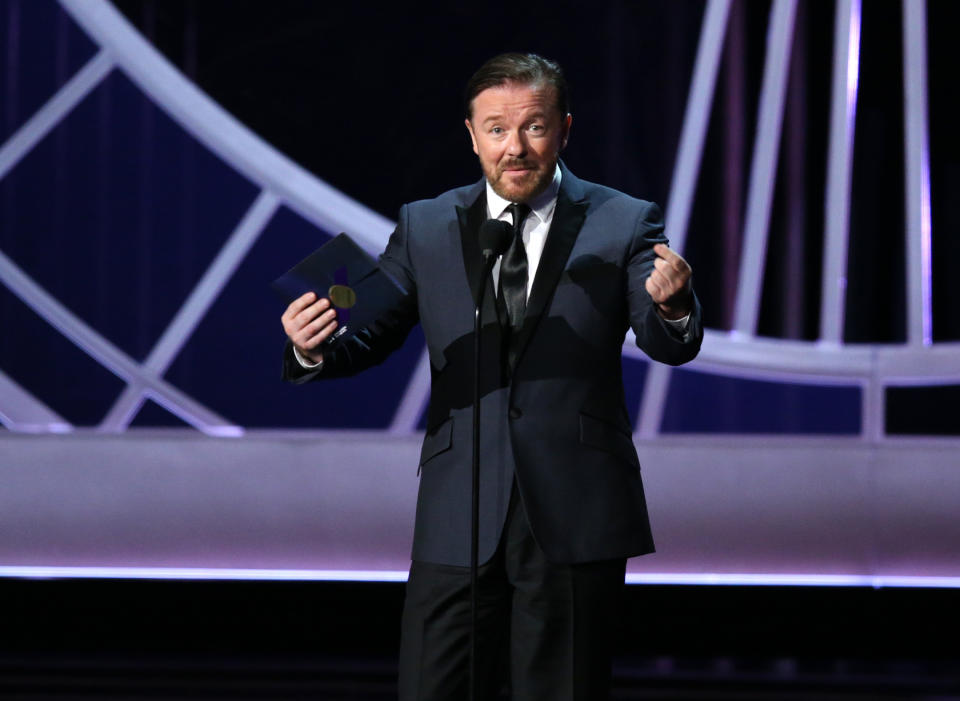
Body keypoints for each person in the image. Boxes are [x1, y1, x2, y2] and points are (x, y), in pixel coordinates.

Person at [281, 52, 702, 701]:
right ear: (472, 136)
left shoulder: (623, 219)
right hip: (458, 508)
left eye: (533, 128)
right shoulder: (427, 224)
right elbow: (370, 331)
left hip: (572, 508)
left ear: (563, 129)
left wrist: (673, 305)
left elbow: (663, 337)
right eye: (497, 129)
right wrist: (312, 348)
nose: (516, 148)